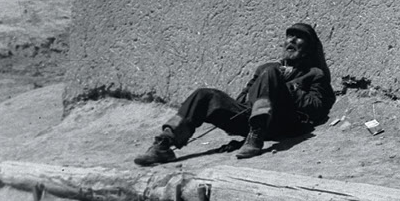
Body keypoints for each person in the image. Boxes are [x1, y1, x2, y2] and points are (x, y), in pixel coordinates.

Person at [134, 24, 336, 165]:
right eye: (289, 36)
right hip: (250, 117)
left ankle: (256, 135)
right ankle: (164, 144)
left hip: (283, 122)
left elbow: (317, 109)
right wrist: (262, 84)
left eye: (298, 37)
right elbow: (242, 99)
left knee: (271, 73)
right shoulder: (266, 68)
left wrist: (286, 87)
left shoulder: (313, 74)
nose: (291, 40)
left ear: (308, 49)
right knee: (205, 95)